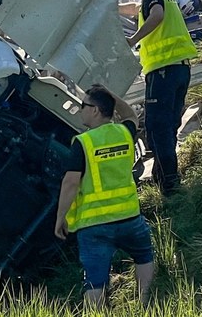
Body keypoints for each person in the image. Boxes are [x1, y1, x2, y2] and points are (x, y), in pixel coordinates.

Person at [54, 85, 155, 309]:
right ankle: (147, 306)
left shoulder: (84, 142)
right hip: (129, 217)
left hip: (95, 225)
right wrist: (110, 93)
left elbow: (70, 183)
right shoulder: (124, 132)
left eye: (84, 106)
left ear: (96, 110)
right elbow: (129, 114)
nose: (81, 110)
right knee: (144, 257)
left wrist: (61, 218)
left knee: (95, 281)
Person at [119, 0, 198, 195]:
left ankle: (169, 185)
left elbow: (156, 15)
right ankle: (164, 177)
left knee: (157, 128)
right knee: (169, 125)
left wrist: (133, 40)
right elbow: (137, 8)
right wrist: (112, 8)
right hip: (180, 69)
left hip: (163, 71)